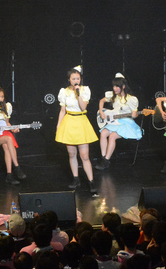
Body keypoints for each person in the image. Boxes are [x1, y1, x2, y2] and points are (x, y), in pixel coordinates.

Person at [55, 66, 99, 195]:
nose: (76, 81)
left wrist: (78, 93)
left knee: (84, 156)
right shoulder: (64, 92)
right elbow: (62, 110)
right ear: (69, 79)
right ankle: (76, 179)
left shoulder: (84, 90)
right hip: (69, 121)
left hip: (81, 121)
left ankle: (91, 181)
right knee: (72, 154)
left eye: (78, 78)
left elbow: (83, 107)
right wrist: (58, 126)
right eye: (73, 78)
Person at [95, 73, 143, 170]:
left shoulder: (131, 99)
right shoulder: (114, 96)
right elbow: (101, 101)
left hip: (126, 123)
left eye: (117, 86)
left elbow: (135, 114)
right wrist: (101, 111)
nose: (115, 88)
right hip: (115, 121)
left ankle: (106, 161)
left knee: (112, 136)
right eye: (114, 86)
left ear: (123, 86)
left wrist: (135, 115)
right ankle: (103, 157)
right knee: (103, 133)